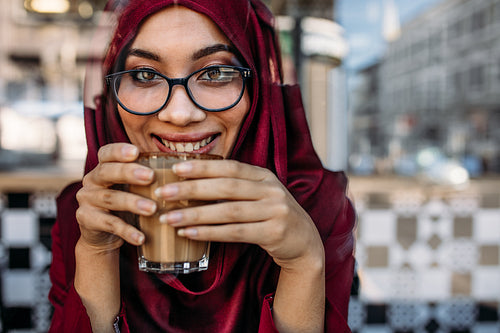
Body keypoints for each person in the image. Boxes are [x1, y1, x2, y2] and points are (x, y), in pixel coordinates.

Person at [48, 0, 356, 332]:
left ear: (259, 91)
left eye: (215, 72)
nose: (180, 114)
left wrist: (303, 262)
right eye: (144, 74)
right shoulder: (82, 214)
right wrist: (96, 253)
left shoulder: (316, 207)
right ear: (111, 93)